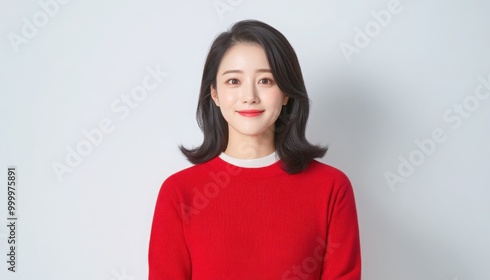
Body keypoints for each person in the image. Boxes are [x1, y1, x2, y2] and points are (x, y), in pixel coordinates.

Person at [148, 19, 361, 279]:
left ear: (286, 93)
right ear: (214, 93)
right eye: (234, 81)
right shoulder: (179, 193)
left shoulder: (331, 188)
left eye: (266, 81)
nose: (249, 96)